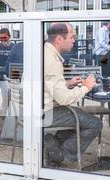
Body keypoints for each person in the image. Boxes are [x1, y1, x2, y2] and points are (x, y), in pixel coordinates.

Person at [44, 22, 103, 167]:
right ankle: (60, 155)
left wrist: (67, 84)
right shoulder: (52, 61)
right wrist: (86, 87)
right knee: (94, 123)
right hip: (45, 112)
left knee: (77, 116)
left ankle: (53, 146)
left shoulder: (43, 53)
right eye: (71, 37)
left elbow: (47, 85)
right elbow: (64, 99)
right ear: (59, 39)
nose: (74, 40)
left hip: (37, 107)